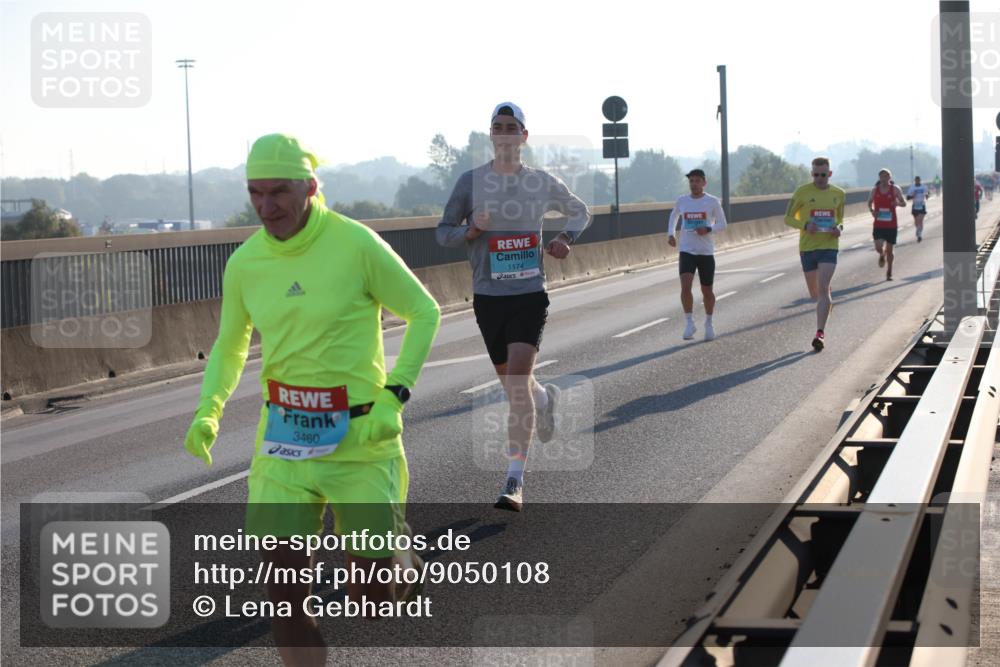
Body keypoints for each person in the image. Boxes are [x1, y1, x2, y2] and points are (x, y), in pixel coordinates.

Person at [184, 134, 441, 666]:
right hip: (284, 439)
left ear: (311, 187)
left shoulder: (356, 244)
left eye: (279, 191)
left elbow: (424, 311)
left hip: (361, 437)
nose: (266, 206)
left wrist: (395, 395)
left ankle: (401, 560)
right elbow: (230, 346)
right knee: (284, 596)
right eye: (256, 193)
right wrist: (209, 408)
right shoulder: (245, 263)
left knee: (372, 603)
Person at [436, 102, 591, 512]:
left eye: (511, 127)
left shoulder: (540, 182)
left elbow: (581, 211)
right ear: (491, 135)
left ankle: (514, 481)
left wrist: (565, 239)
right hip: (488, 298)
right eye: (498, 127)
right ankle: (544, 399)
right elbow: (442, 233)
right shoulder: (470, 183)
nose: (504, 133)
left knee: (516, 386)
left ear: (523, 136)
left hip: (529, 294)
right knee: (516, 387)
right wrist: (472, 230)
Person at [784, 157, 846, 351]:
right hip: (808, 248)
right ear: (812, 174)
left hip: (829, 246)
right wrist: (805, 225)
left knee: (823, 287)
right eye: (816, 174)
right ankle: (826, 302)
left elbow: (840, 219)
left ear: (830, 174)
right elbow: (787, 218)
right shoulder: (801, 192)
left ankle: (820, 333)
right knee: (815, 294)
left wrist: (839, 228)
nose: (819, 178)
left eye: (823, 175)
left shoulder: (839, 194)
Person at [667, 168, 727, 341]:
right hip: (687, 250)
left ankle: (709, 322)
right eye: (691, 181)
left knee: (707, 291)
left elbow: (723, 224)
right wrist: (671, 234)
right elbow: (674, 216)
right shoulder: (682, 200)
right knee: (685, 287)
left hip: (705, 252)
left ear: (704, 183)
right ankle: (689, 322)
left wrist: (708, 229)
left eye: (697, 181)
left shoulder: (712, 201)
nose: (693, 184)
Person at [868, 169, 906, 280]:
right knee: (878, 247)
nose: (884, 179)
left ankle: (889, 272)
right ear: (879, 178)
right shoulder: (875, 190)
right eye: (882, 177)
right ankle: (881, 254)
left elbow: (904, 203)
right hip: (878, 224)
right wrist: (872, 211)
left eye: (886, 176)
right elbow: (869, 202)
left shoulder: (895, 189)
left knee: (890, 251)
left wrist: (898, 203)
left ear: (890, 177)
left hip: (891, 225)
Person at [906, 175, 930, 242]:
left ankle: (919, 234)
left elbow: (927, 193)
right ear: (915, 181)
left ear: (920, 180)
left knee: (920, 220)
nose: (917, 181)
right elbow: (907, 198)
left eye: (918, 180)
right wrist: (912, 196)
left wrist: (927, 196)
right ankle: (918, 229)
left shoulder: (924, 187)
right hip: (915, 205)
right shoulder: (912, 188)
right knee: (916, 221)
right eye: (916, 180)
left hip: (922, 205)